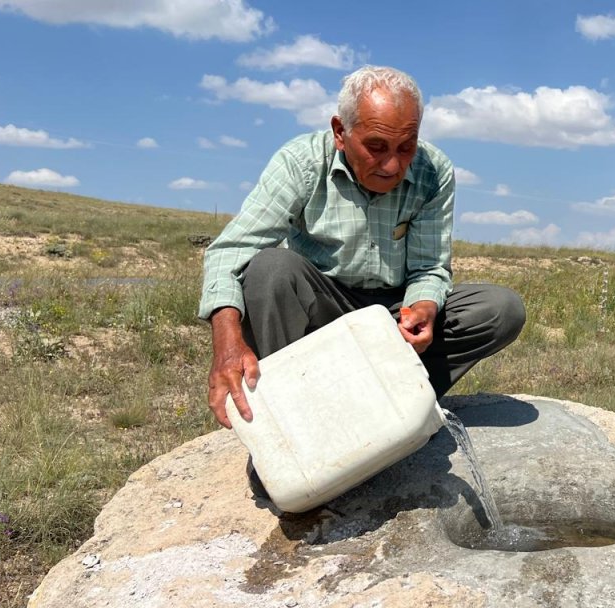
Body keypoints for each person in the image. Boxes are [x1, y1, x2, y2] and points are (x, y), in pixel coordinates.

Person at [198, 65, 525, 433]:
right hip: (319, 310)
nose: (393, 165)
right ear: (340, 132)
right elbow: (231, 251)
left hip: (392, 316)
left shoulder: (433, 171)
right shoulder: (302, 162)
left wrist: (422, 308)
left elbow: (428, 268)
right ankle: (293, 415)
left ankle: (396, 404)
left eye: (406, 147)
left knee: (500, 309)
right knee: (271, 269)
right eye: (376, 147)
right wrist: (227, 343)